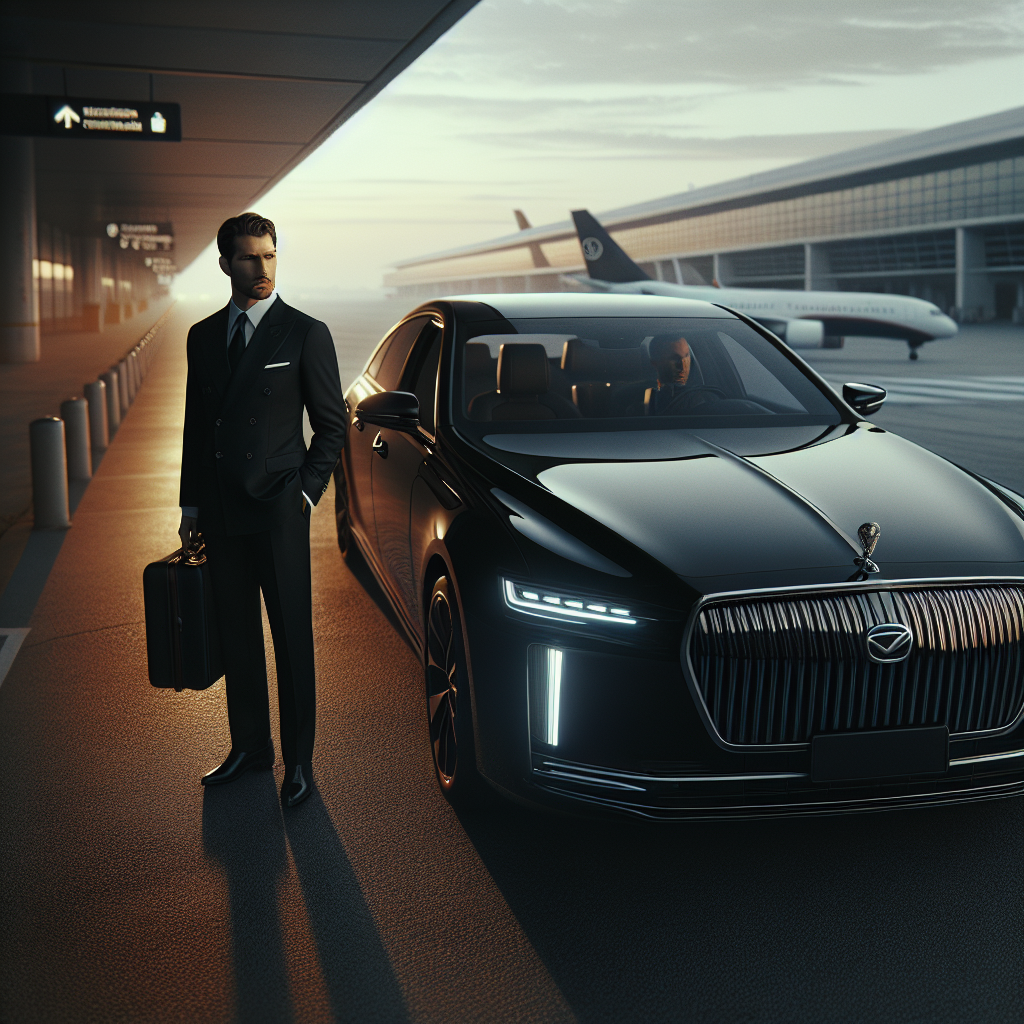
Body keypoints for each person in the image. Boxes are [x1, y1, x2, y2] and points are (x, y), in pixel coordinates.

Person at [178, 212, 346, 807]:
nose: (262, 269)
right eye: (249, 258)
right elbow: (198, 426)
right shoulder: (202, 336)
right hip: (221, 509)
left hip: (277, 509)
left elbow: (332, 426)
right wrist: (190, 503)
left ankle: (299, 761)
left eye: (270, 255)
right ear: (225, 263)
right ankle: (250, 747)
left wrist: (304, 493)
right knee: (238, 635)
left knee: (292, 637)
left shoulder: (304, 333)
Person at [644, 334, 694, 414]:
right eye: (675, 358)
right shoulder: (640, 399)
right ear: (655, 363)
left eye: (686, 356)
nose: (683, 365)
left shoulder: (703, 397)